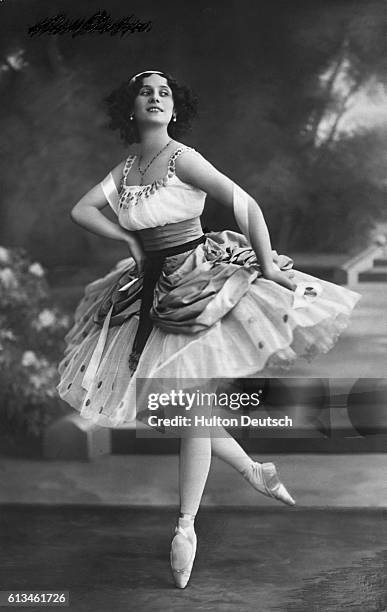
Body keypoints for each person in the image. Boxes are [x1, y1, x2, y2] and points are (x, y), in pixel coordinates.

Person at [57, 70, 361, 589]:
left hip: (200, 280)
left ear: (174, 110)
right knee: (181, 406)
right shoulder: (127, 167)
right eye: (145, 91)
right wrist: (130, 244)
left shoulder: (183, 157)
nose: (155, 98)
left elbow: (246, 205)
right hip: (150, 286)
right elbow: (81, 209)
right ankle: (253, 472)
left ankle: (184, 528)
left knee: (188, 406)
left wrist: (266, 266)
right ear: (129, 108)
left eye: (165, 93)